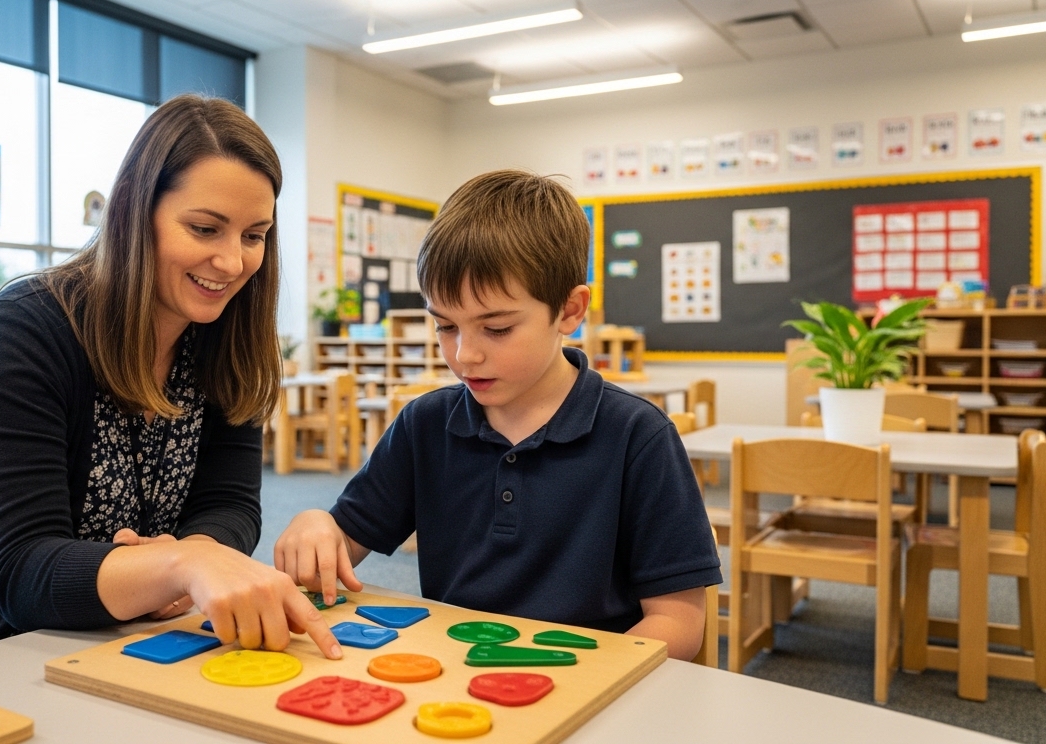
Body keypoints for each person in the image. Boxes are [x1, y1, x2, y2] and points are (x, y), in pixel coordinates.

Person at [0, 96, 341, 684]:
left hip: (97, 636)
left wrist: (181, 564)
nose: (231, 261)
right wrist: (178, 563)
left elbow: (229, 505)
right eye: (204, 228)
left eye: (254, 235)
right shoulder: (23, 330)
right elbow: (22, 571)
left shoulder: (229, 338)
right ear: (132, 211)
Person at [273, 170, 720, 660]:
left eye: (498, 329)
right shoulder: (425, 425)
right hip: (456, 688)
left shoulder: (638, 435)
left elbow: (679, 620)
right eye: (445, 325)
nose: (464, 355)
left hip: (593, 692)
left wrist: (586, 677)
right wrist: (318, 524)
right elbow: (343, 542)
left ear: (570, 311)